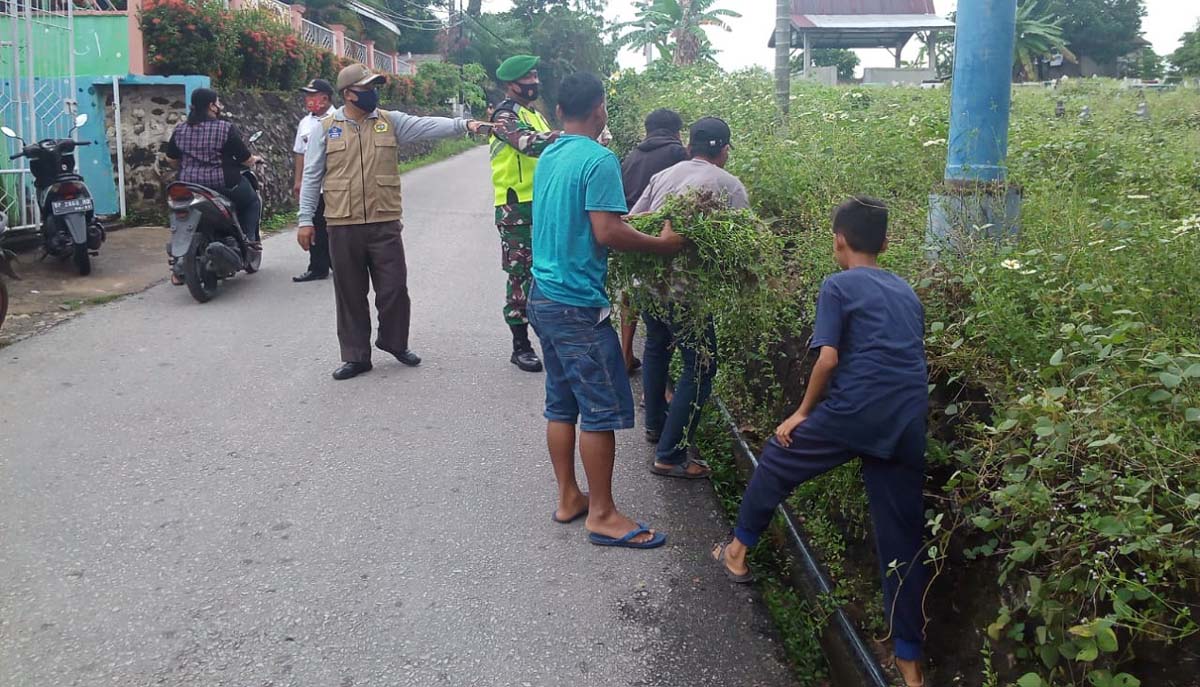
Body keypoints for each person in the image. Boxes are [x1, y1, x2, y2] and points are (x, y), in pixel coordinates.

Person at [711, 197, 929, 687]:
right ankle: (909, 664)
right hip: (909, 419)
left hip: (854, 411)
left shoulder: (838, 284)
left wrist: (803, 413)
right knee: (901, 539)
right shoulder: (907, 291)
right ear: (886, 244)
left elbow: (828, 358)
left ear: (839, 241)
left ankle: (737, 552)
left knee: (776, 459)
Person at [526, 72, 685, 549]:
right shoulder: (598, 159)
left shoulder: (550, 153)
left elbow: (588, 219)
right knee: (599, 409)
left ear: (558, 112)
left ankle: (569, 497)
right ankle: (603, 514)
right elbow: (606, 233)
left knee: (561, 401)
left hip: (543, 295)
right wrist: (662, 244)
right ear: (600, 109)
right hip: (576, 304)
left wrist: (626, 221)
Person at [297, 63, 489, 380]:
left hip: (384, 222)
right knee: (350, 293)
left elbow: (428, 125)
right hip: (342, 223)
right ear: (348, 94)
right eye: (366, 88)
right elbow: (312, 175)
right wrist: (305, 220)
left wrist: (464, 125)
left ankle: (394, 342)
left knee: (394, 288)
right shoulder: (326, 127)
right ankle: (356, 356)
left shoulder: (390, 121)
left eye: (374, 87)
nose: (372, 93)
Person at [628, 116, 750, 480]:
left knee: (656, 347)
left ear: (688, 146)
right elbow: (743, 244)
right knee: (700, 366)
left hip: (649, 284)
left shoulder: (665, 175)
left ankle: (654, 425)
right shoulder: (729, 185)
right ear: (724, 150)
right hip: (687, 294)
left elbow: (635, 220)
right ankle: (671, 454)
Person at [489, 54, 561, 373]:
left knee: (545, 270)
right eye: (527, 79)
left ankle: (550, 333)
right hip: (515, 207)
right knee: (520, 274)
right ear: (510, 85)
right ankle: (521, 346)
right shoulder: (504, 116)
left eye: (535, 76)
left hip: (543, 203)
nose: (534, 83)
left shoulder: (535, 114)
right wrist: (568, 136)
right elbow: (528, 144)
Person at [617, 108, 689, 373]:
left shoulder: (632, 156)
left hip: (629, 230)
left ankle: (625, 354)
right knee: (661, 308)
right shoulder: (677, 154)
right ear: (676, 132)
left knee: (631, 294)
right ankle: (661, 385)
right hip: (660, 235)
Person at [166, 88, 262, 264]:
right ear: (211, 106)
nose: (219, 106)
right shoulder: (224, 128)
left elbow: (171, 159)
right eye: (217, 102)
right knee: (252, 201)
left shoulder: (180, 130)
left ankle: (179, 264)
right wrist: (255, 159)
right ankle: (249, 240)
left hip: (189, 186)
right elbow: (245, 158)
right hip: (222, 184)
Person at [292, 78, 334, 283]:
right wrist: (298, 180)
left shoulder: (338, 119)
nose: (307, 99)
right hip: (313, 186)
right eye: (307, 95)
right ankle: (318, 267)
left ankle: (339, 263)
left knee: (335, 227)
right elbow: (300, 153)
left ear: (324, 98)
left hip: (335, 186)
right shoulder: (305, 123)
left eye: (312, 95)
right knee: (315, 225)